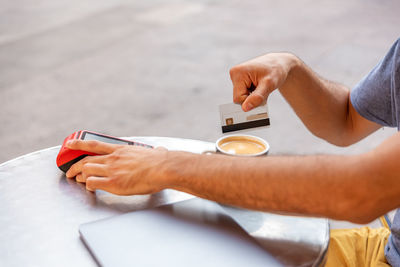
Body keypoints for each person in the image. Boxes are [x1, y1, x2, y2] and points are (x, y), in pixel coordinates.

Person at [65, 38, 400, 266]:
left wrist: (167, 167)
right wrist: (291, 68)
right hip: (386, 244)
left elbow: (358, 192)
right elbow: (346, 121)